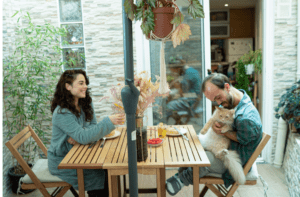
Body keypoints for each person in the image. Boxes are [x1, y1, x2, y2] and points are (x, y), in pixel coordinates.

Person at [166, 73, 263, 196]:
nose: (219, 103)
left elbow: (242, 139)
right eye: (214, 101)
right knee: (191, 143)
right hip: (223, 147)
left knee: (200, 157)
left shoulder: (246, 118)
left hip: (233, 160)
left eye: (218, 97)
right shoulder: (239, 99)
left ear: (227, 87)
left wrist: (224, 131)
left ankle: (181, 179)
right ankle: (180, 176)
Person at [48, 69, 124, 197]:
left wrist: (82, 136)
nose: (85, 87)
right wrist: (107, 122)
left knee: (109, 168)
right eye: (81, 83)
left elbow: (90, 129)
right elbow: (84, 136)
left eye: (85, 83)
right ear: (68, 86)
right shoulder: (62, 113)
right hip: (64, 161)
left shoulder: (85, 103)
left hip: (81, 152)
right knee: (100, 175)